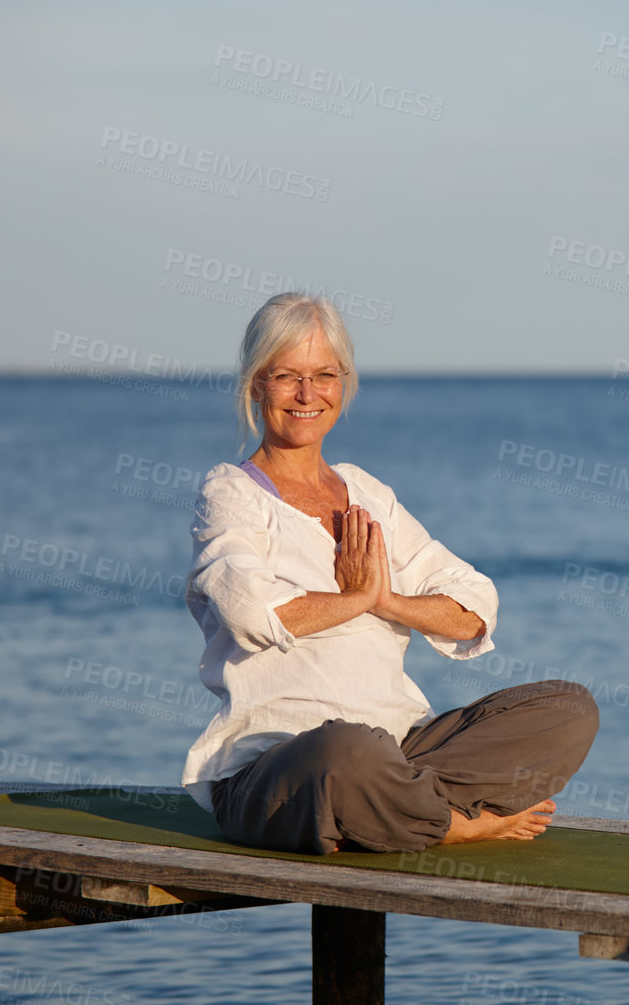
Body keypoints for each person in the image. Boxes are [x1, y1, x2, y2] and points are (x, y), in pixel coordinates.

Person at [180, 292, 598, 853]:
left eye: (324, 375)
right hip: (280, 767)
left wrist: (386, 602)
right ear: (257, 385)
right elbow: (252, 614)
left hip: (400, 748)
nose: (308, 395)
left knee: (568, 711)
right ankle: (454, 823)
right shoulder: (230, 493)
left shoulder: (367, 494)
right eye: (287, 376)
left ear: (343, 383)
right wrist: (354, 598)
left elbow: (475, 607)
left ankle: (392, 805)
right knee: (346, 753)